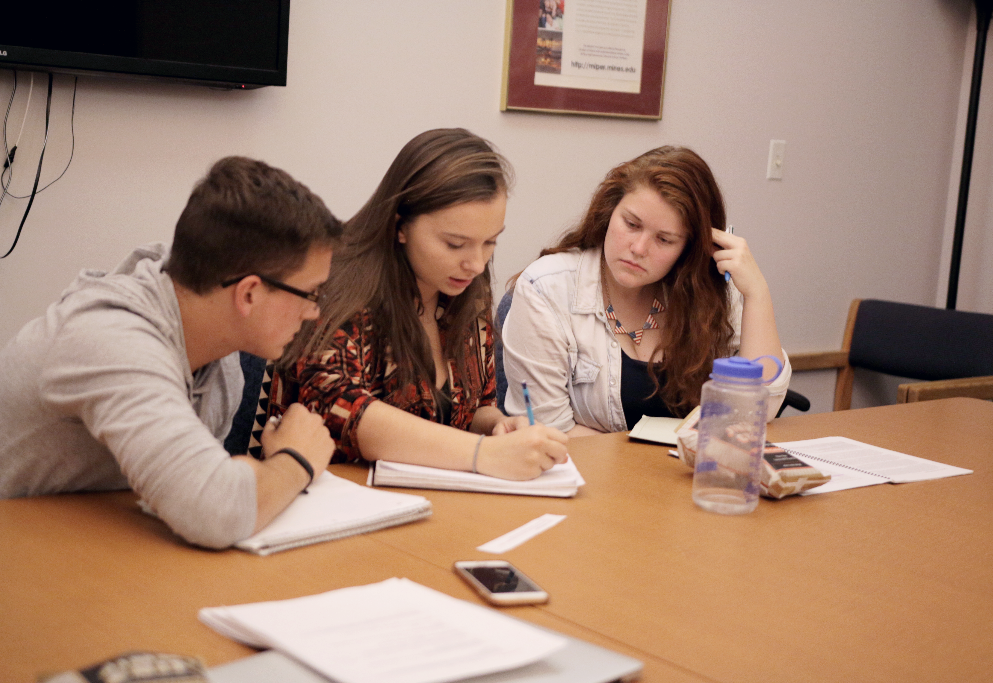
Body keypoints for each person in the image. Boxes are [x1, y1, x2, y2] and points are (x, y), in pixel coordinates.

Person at [0, 157, 342, 549]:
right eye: (310, 293)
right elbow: (215, 511)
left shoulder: (219, 348)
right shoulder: (113, 339)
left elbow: (212, 487)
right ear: (248, 293)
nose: (314, 312)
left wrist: (240, 483)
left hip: (86, 547)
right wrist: (297, 459)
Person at [271, 128, 568, 479]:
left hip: (434, 504)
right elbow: (341, 409)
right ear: (401, 226)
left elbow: (471, 409)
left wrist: (497, 427)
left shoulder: (465, 288)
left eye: (490, 242)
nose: (475, 263)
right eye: (455, 244)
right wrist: (483, 453)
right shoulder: (334, 286)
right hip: (334, 501)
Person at [502, 146, 791, 436]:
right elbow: (549, 433)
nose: (638, 249)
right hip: (592, 477)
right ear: (609, 211)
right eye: (631, 224)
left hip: (689, 474)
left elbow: (760, 410)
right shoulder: (547, 289)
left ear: (690, 248)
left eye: (664, 240)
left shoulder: (711, 292)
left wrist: (757, 292)